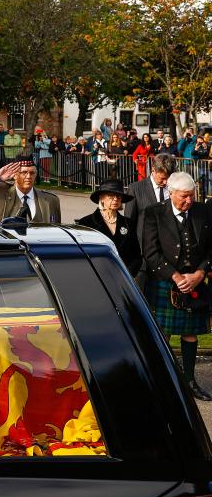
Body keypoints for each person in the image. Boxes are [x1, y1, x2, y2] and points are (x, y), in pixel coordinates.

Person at [141, 172, 212, 401]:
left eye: (191, 196)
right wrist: (176, 276)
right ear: (171, 193)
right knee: (164, 334)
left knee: (191, 333)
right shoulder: (154, 213)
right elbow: (151, 253)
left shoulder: (203, 211)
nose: (188, 201)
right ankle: (163, 383)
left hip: (196, 281)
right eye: (183, 197)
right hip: (165, 281)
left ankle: (190, 381)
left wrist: (200, 273)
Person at [76, 179, 142, 277]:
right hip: (96, 278)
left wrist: (127, 274)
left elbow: (136, 256)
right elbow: (81, 256)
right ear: (101, 198)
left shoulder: (128, 223)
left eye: (118, 196)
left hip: (123, 279)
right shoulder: (86, 223)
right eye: (111, 196)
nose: (115, 199)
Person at [125, 153, 176, 277]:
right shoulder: (136, 189)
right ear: (153, 170)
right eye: (162, 178)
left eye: (168, 178)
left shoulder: (175, 189)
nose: (165, 182)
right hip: (144, 256)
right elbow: (129, 222)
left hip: (170, 256)